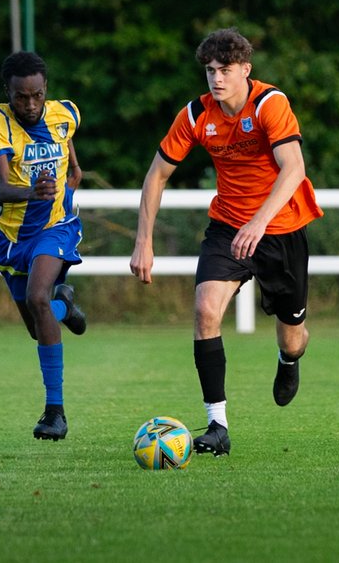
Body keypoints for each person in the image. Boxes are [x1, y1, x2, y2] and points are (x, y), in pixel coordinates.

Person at [130, 28, 324, 457]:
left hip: (282, 230)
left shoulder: (270, 104)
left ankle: (289, 361)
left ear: (246, 71)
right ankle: (217, 425)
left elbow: (293, 168)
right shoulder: (196, 114)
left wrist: (259, 222)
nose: (216, 79)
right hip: (228, 228)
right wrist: (144, 240)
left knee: (292, 337)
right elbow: (156, 175)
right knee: (204, 310)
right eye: (210, 71)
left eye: (226, 70)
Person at [0, 50, 88, 441]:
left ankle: (55, 413)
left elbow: (67, 134)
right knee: (38, 324)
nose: (30, 104)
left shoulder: (65, 112)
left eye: (37, 95)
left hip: (56, 227)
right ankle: (66, 305)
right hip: (12, 237)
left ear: (46, 91)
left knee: (37, 297)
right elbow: (0, 187)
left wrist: (74, 170)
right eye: (21, 96)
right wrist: (33, 191)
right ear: (7, 92)